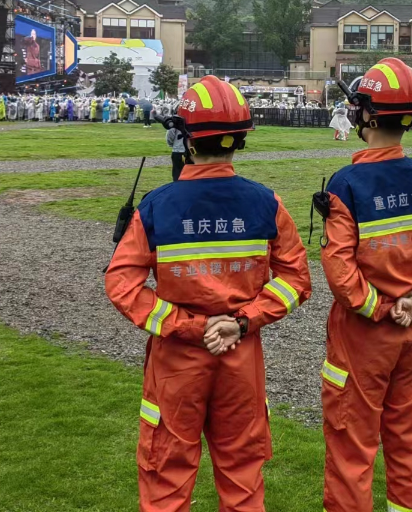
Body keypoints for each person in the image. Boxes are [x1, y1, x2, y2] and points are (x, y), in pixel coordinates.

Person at [106, 75, 311, 512]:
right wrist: (242, 320)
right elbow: (296, 280)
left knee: (167, 477)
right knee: (242, 478)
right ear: (238, 141)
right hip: (241, 355)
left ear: (186, 141)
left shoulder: (157, 206)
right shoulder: (267, 203)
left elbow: (122, 284)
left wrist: (190, 326)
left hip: (177, 361)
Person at [318, 58, 412, 512]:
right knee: (408, 447)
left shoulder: (346, 184)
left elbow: (340, 270)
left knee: (352, 449)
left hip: (363, 335)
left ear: (365, 114)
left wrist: (380, 308)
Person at [164, 115, 186, 182]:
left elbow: (170, 136)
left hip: (178, 150)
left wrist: (172, 144)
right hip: (192, 151)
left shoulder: (175, 121)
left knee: (178, 174)